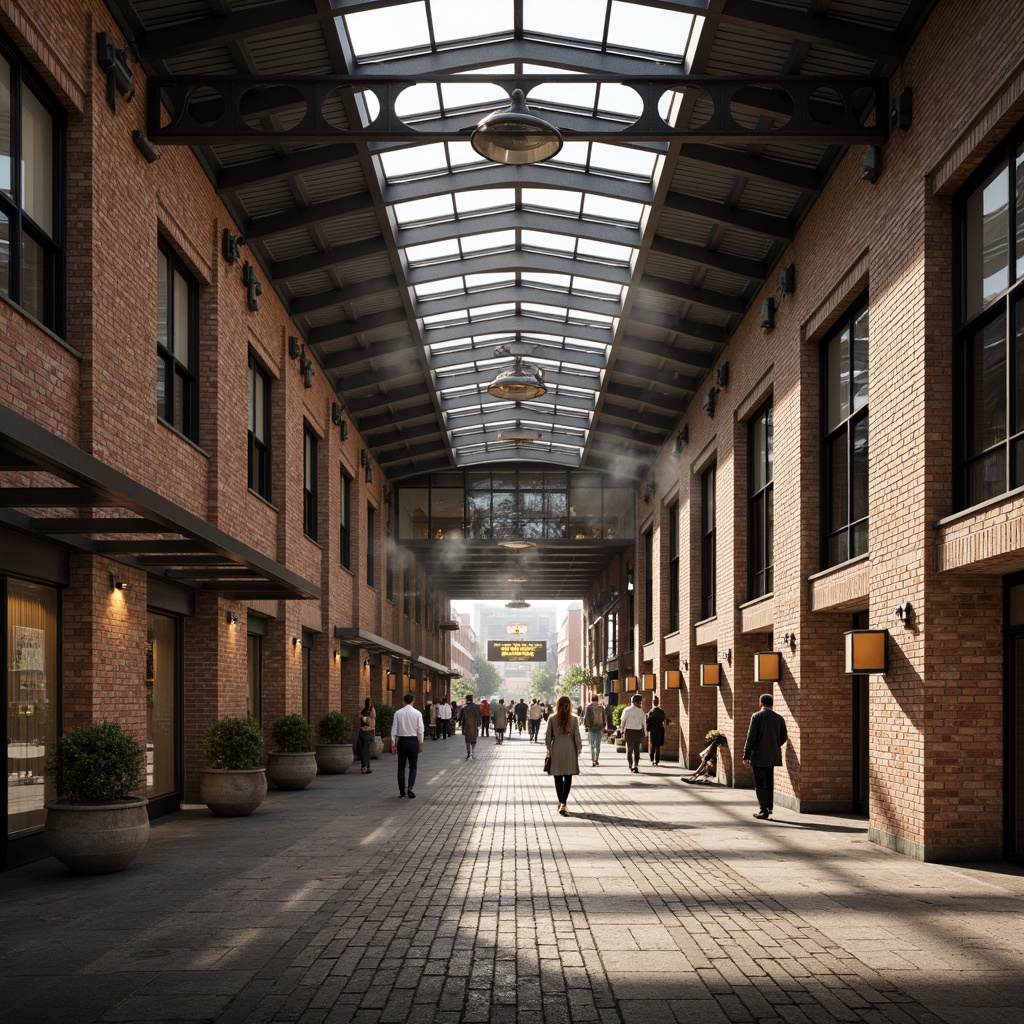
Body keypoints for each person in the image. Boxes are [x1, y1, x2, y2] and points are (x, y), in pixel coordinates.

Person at [743, 693, 788, 819]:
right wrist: (774, 745)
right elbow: (784, 737)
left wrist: (746, 755)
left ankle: (763, 810)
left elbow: (751, 737)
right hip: (772, 756)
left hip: (759, 756)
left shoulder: (756, 716)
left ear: (761, 702)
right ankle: (769, 807)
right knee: (769, 782)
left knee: (759, 783)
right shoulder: (779, 718)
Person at [545, 695, 582, 816]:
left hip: (557, 748)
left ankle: (561, 801)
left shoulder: (552, 718)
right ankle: (563, 803)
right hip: (570, 747)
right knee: (568, 775)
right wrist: (579, 748)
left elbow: (548, 737)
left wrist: (549, 749)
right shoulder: (574, 719)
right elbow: (577, 736)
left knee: (557, 776)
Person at [391, 692, 424, 798]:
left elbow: (394, 730)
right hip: (413, 741)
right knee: (413, 766)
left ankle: (401, 790)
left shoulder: (398, 713)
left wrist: (393, 743)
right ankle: (410, 787)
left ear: (404, 701)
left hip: (402, 741)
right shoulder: (417, 713)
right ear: (413, 700)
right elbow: (420, 730)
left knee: (401, 767)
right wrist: (421, 742)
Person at [619, 693, 647, 773]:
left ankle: (630, 765)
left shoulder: (626, 710)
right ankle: (636, 765)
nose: (640, 704)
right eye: (639, 702)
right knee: (636, 749)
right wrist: (645, 731)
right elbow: (644, 722)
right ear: (634, 702)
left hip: (629, 731)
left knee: (629, 749)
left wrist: (621, 730)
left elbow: (623, 721)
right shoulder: (641, 711)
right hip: (637, 732)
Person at [582, 694, 605, 767]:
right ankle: (597, 759)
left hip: (592, 728)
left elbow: (586, 718)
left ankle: (593, 760)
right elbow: (604, 718)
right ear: (597, 700)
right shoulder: (601, 708)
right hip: (599, 727)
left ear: (591, 699)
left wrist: (586, 726)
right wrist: (604, 726)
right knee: (598, 745)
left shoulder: (588, 707)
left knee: (592, 745)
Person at [646, 695, 667, 766]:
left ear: (653, 703)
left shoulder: (651, 711)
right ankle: (657, 760)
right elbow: (664, 719)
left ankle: (652, 759)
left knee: (653, 744)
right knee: (658, 745)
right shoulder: (661, 711)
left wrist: (647, 729)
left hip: (653, 729)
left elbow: (648, 721)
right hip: (660, 728)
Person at [356, 698, 376, 774]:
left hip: (367, 732)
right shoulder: (363, 712)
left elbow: (373, 721)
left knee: (364, 750)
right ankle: (366, 766)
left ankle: (365, 767)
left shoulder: (371, 712)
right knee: (364, 750)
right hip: (365, 732)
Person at [460, 693, 482, 759]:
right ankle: (473, 752)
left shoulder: (464, 708)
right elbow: (478, 716)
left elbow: (462, 718)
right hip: (474, 725)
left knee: (467, 740)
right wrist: (479, 723)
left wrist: (462, 726)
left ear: (466, 699)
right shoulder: (476, 707)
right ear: (472, 699)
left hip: (467, 725)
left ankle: (468, 752)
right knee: (473, 739)